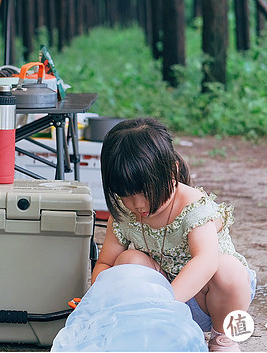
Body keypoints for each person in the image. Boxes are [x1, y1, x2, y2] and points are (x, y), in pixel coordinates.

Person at [94, 118, 256, 352]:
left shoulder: (193, 207)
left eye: (144, 192)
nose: (137, 204)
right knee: (128, 261)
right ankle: (155, 334)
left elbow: (206, 261)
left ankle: (224, 339)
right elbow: (106, 263)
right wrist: (97, 299)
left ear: (172, 171)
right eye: (125, 194)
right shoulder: (123, 212)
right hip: (155, 307)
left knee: (226, 268)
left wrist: (166, 304)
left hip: (209, 301)